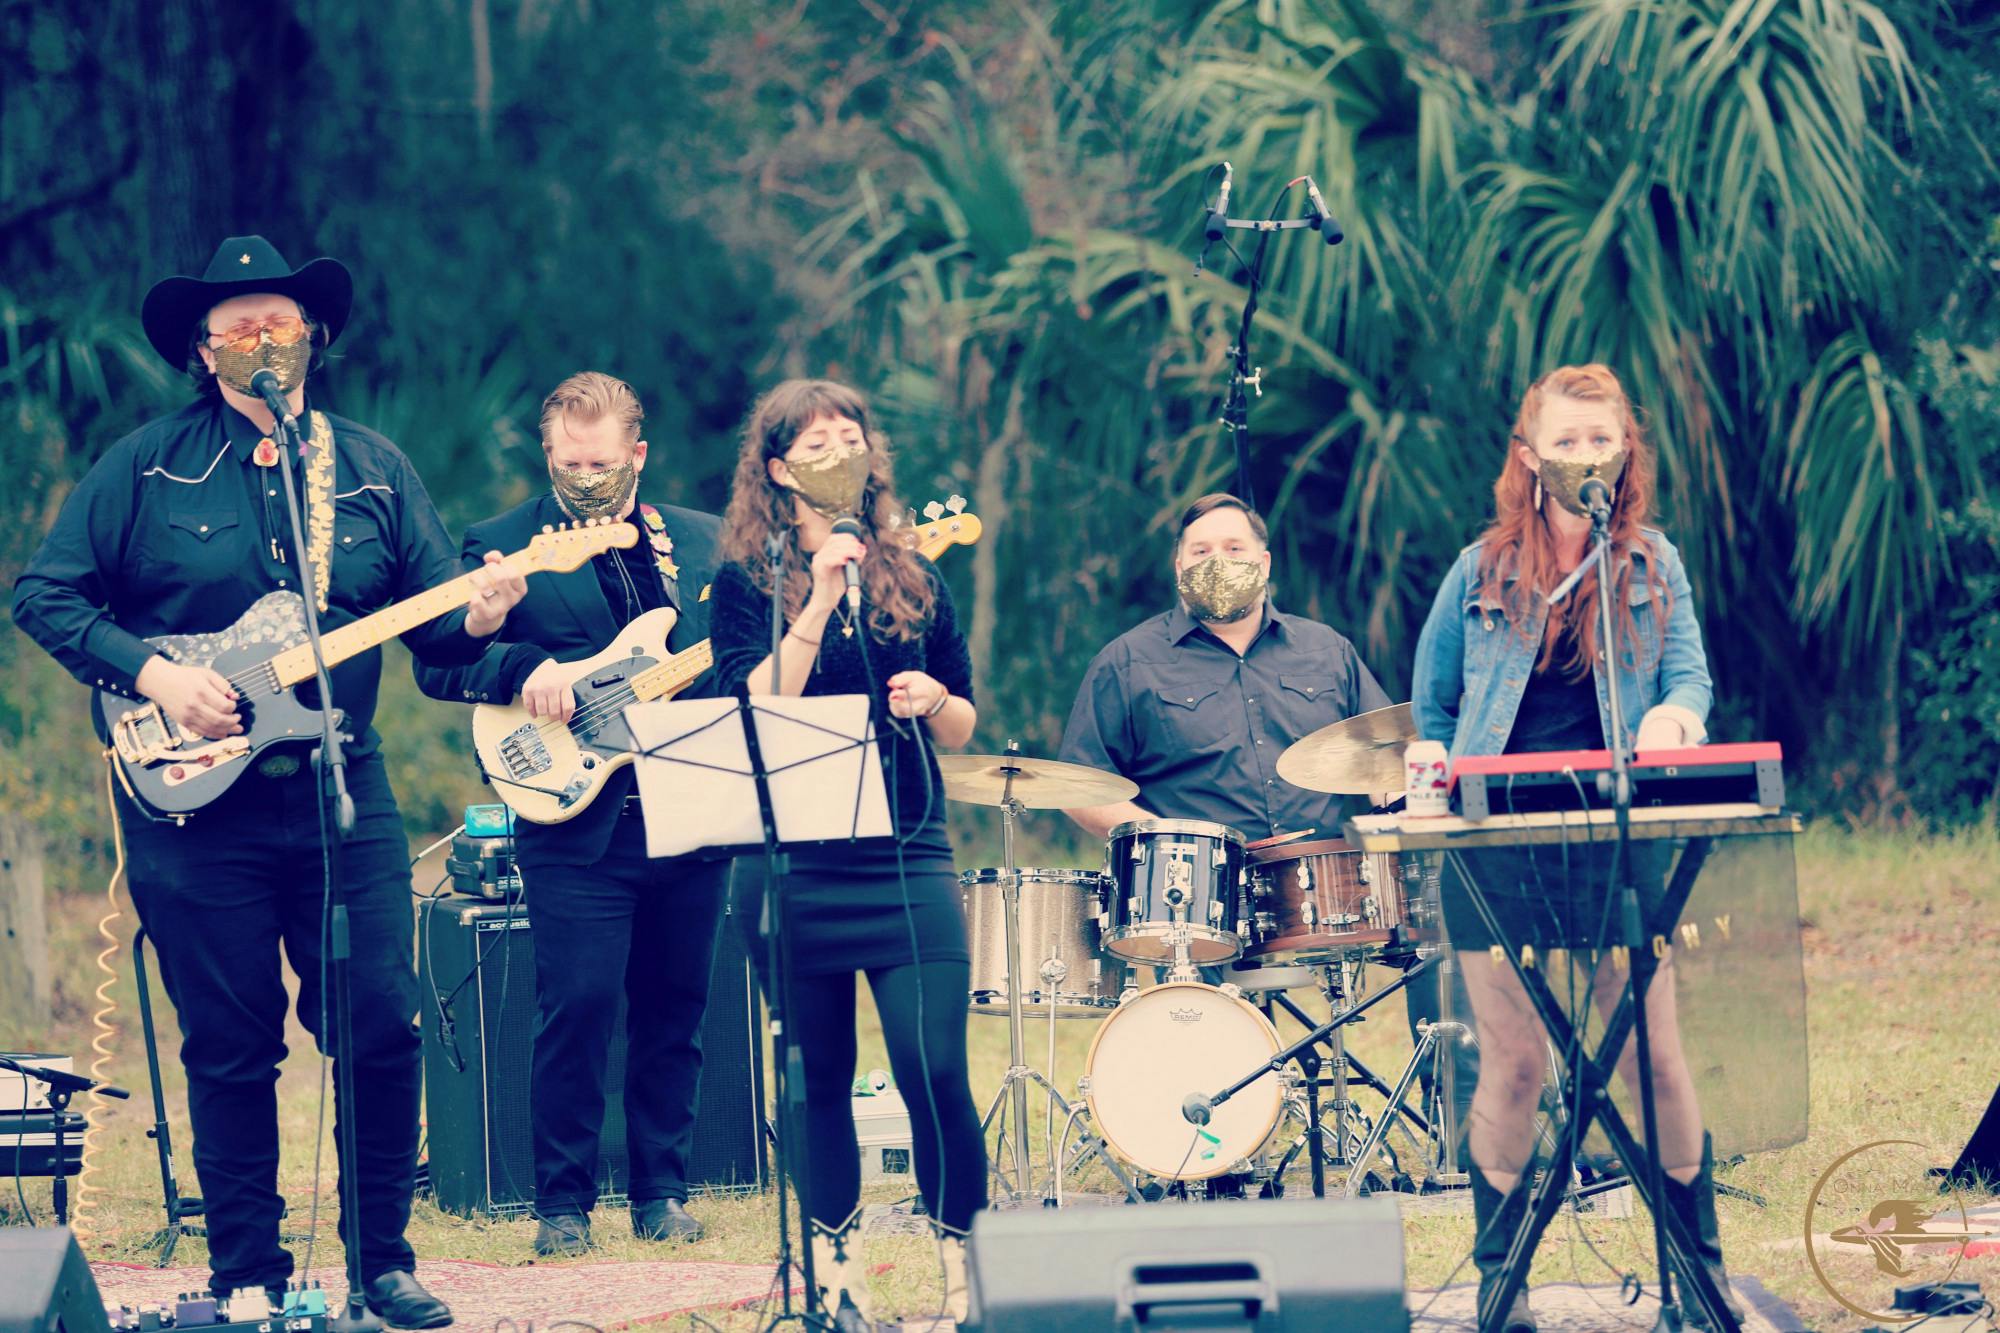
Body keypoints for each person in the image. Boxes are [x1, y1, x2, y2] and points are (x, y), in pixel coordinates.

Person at [13, 236, 529, 1324]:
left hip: (342, 787)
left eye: (280, 323)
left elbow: (438, 639)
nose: (262, 341)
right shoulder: (146, 467)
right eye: (238, 326)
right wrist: (155, 670)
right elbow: (48, 597)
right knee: (233, 1038)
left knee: (383, 1020)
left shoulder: (375, 469)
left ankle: (381, 1260)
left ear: (314, 341)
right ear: (204, 352)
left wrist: (480, 612)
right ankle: (246, 1272)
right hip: (195, 807)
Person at [1410, 363, 1736, 1332]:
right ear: (1527, 454)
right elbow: (1431, 701)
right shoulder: (1476, 573)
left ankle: (1697, 1270)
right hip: (1495, 837)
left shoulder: (1651, 563)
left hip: (1614, 829)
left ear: (1622, 453)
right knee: (1513, 1066)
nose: (1583, 457)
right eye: (1565, 441)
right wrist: (1430, 753)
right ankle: (1498, 1287)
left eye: (1601, 441)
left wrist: (1677, 719)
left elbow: (1689, 679)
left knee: (1650, 1060)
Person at [410, 371, 728, 1256]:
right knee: (578, 1006)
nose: (585, 475)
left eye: (602, 460)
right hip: (571, 812)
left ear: (639, 452)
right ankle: (563, 1204)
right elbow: (435, 662)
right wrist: (514, 665)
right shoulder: (503, 542)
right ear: (547, 451)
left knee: (676, 1006)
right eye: (568, 459)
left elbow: (743, 660)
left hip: (689, 807)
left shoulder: (702, 543)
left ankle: (663, 1191)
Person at [708, 379, 986, 1329]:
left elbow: (963, 718)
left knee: (933, 1063)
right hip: (792, 867)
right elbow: (752, 706)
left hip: (907, 855)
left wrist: (930, 701)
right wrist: (819, 597)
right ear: (778, 470)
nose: (840, 453)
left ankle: (966, 1272)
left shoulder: (916, 575)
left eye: (851, 437)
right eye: (817, 443)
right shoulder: (745, 582)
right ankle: (837, 1279)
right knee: (816, 1075)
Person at [1058, 492, 1391, 844]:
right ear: (1179, 567)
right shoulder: (1127, 662)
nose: (1217, 562)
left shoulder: (1326, 649)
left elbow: (1385, 751)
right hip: (1193, 883)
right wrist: (1171, 843)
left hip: (1322, 876)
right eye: (1201, 552)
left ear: (1264, 564)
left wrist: (1397, 810)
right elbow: (1082, 786)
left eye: (1234, 549)